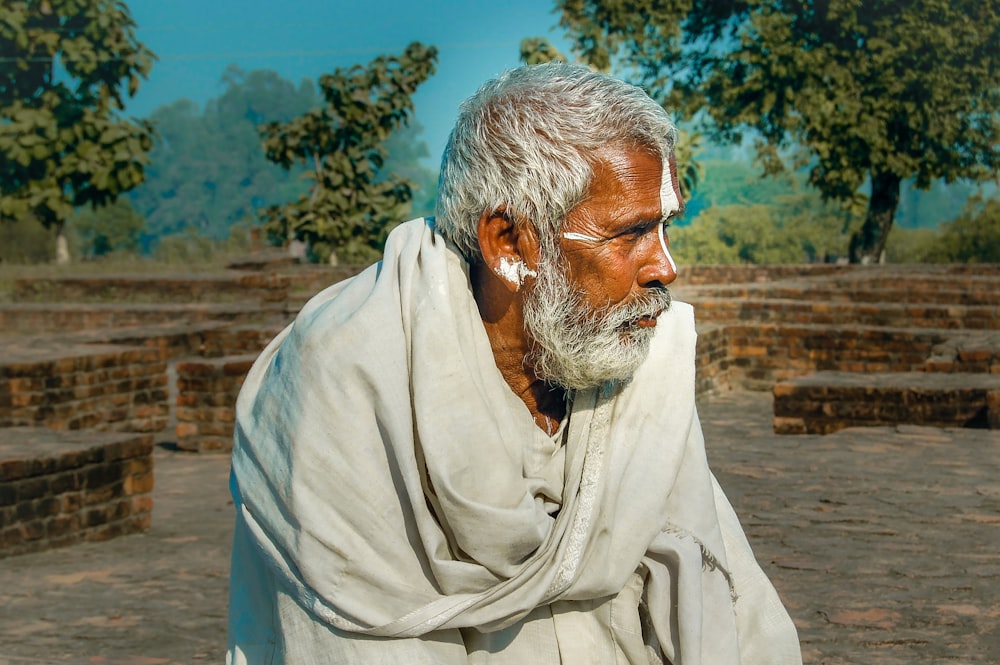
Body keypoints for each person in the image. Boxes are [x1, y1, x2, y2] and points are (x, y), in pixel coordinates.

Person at [227, 63, 801, 664]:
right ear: (508, 243)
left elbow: (723, 590)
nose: (665, 267)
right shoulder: (349, 374)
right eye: (629, 234)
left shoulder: (641, 361)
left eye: (664, 228)